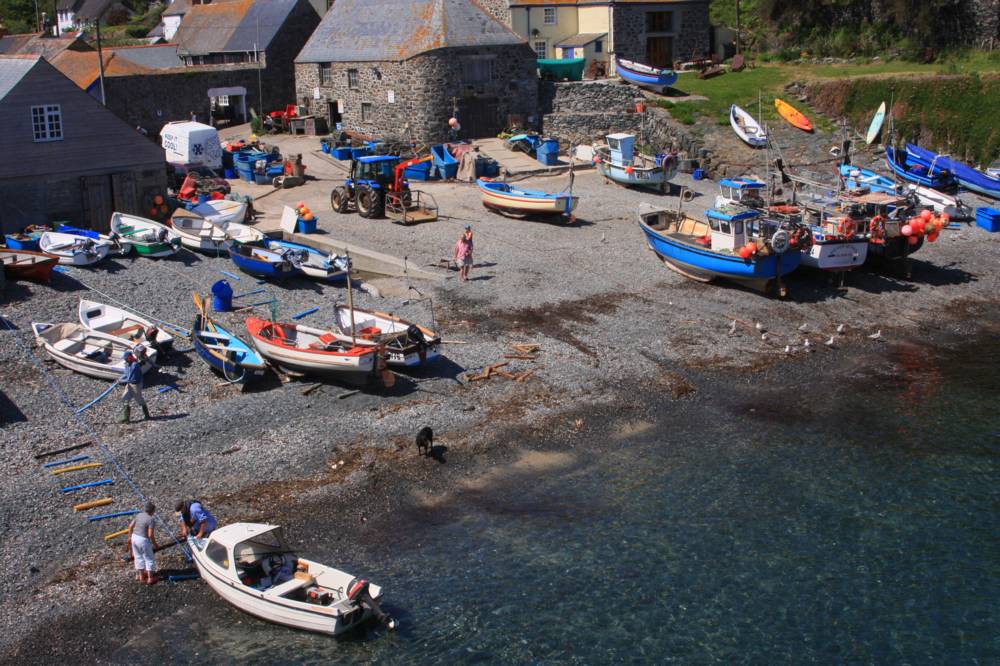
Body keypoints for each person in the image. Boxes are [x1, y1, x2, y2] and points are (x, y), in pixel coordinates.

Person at [126, 502, 160, 585]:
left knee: (138, 557)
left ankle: (141, 576)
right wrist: (155, 544)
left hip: (134, 537)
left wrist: (129, 537)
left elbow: (130, 526)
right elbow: (150, 535)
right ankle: (150, 578)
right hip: (143, 539)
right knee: (149, 558)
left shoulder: (139, 515)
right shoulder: (151, 519)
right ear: (152, 511)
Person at [118, 347, 149, 423]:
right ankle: (126, 418)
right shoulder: (127, 364)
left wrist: (121, 381)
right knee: (125, 398)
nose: (125, 360)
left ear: (129, 357)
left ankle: (147, 415)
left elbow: (132, 378)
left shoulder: (135, 365)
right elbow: (126, 374)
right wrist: (119, 379)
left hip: (136, 384)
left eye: (126, 358)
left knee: (139, 400)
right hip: (129, 384)